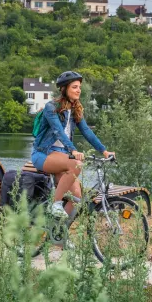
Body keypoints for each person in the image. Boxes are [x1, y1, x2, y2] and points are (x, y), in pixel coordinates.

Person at [30, 71, 114, 218]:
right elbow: (58, 132)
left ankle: (59, 236)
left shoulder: (75, 109)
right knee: (76, 164)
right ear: (64, 89)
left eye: (79, 87)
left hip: (61, 156)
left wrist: (104, 151)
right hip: (43, 154)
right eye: (75, 87)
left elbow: (87, 131)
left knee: (77, 198)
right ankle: (55, 204)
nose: (79, 90)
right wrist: (73, 151)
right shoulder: (51, 107)